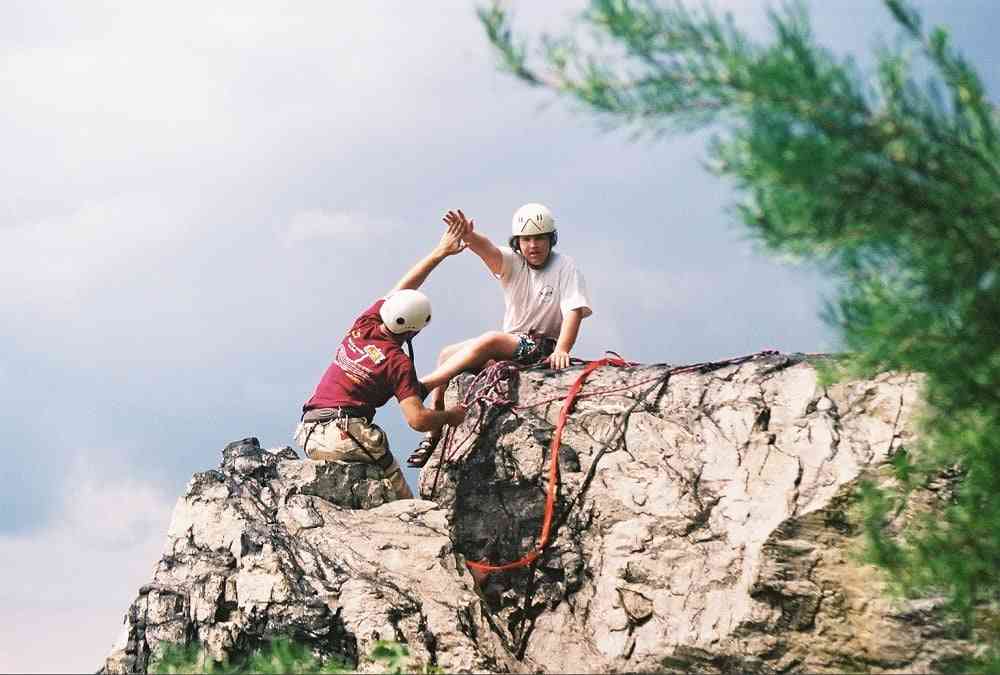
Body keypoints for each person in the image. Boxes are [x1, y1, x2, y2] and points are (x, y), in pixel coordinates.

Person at [407, 203, 592, 467]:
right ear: (518, 243)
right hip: (514, 342)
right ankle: (433, 431)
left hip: (541, 346)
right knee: (447, 353)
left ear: (550, 239)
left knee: (492, 340)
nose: (533, 245)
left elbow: (573, 310)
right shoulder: (514, 263)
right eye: (526, 239)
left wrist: (562, 348)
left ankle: (422, 385)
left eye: (539, 238)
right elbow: (490, 251)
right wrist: (469, 237)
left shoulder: (565, 266)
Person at [294, 221, 468, 499]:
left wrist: (439, 252)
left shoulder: (366, 323)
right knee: (397, 488)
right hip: (343, 431)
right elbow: (418, 419)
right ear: (415, 330)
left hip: (308, 430)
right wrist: (451, 416)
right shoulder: (397, 362)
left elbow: (403, 288)